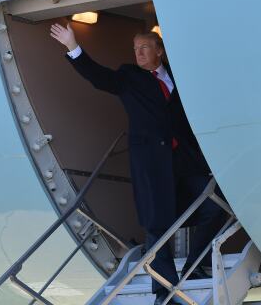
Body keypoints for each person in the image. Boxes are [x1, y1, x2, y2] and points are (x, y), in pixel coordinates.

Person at [50, 22, 228, 305]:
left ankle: (194, 268)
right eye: (136, 49)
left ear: (159, 50)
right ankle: (164, 290)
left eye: (145, 47)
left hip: (185, 162)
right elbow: (99, 78)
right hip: (153, 167)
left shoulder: (178, 76)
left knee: (215, 204)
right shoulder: (129, 76)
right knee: (156, 226)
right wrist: (74, 47)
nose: (139, 53)